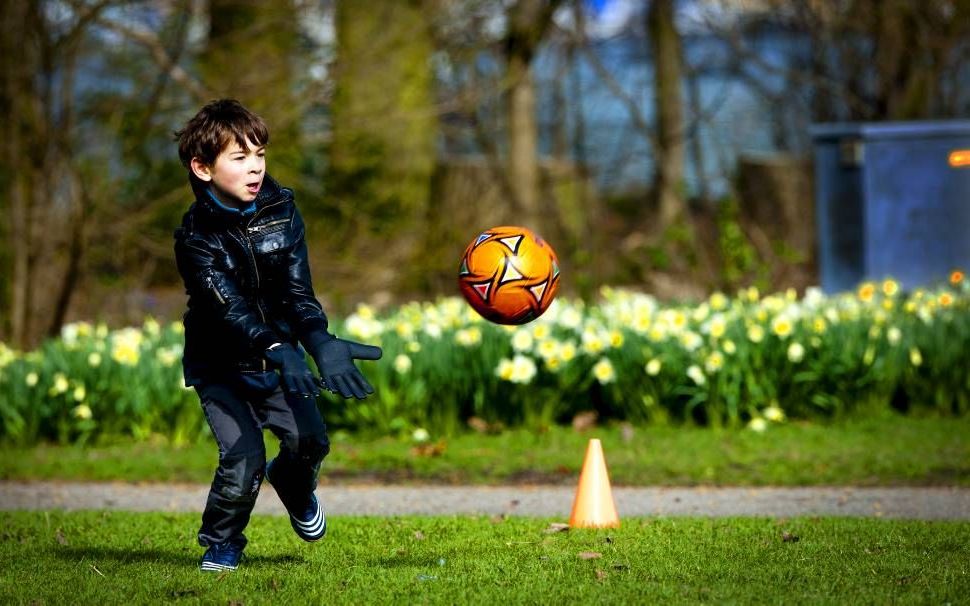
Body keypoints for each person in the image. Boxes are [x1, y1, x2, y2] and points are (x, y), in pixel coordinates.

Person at [173, 99, 381, 572]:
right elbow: (231, 311)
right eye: (239, 157)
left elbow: (296, 291)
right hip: (221, 366)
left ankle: (291, 482)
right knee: (242, 457)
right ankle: (222, 542)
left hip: (279, 360)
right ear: (202, 168)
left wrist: (319, 340)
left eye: (260, 155)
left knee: (311, 443)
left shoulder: (283, 210)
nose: (255, 168)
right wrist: (277, 347)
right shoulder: (195, 239)